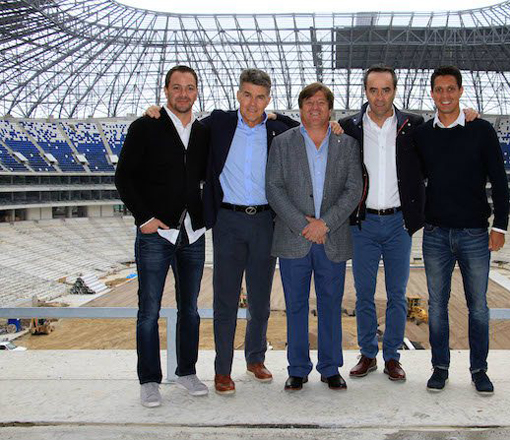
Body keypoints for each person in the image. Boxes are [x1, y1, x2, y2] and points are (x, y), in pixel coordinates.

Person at [145, 69, 293, 395]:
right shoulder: (219, 123)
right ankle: (222, 370)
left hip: (265, 222)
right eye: (247, 95)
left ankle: (255, 358)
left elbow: (305, 125)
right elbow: (182, 122)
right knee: (225, 301)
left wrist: (279, 116)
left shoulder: (276, 130)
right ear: (238, 95)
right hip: (228, 221)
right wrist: (156, 111)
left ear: (268, 100)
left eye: (260, 97)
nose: (252, 103)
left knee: (260, 301)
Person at [339, 65, 478, 382]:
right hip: (362, 224)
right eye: (373, 90)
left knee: (397, 295)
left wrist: (468, 115)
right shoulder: (349, 127)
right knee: (363, 294)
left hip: (399, 223)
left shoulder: (413, 125)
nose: (379, 97)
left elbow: (445, 132)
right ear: (366, 91)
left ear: (394, 91)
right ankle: (367, 354)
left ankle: (392, 357)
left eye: (385, 90)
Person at [115, 65, 209, 407]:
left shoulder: (203, 131)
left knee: (190, 309)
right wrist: (144, 218)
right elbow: (124, 176)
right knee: (149, 311)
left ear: (197, 92)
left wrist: (274, 116)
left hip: (192, 233)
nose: (183, 94)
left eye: (190, 87)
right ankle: (149, 380)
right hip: (156, 234)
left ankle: (186, 372)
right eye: (177, 87)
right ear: (166, 90)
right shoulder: (145, 126)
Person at [413, 65, 510, 395]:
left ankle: (479, 370)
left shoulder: (481, 129)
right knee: (436, 307)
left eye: (450, 89)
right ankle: (440, 368)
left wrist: (501, 226)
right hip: (435, 234)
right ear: (432, 94)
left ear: (460, 91)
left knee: (478, 307)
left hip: (474, 234)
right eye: (439, 90)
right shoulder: (422, 134)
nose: (445, 95)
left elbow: (499, 180)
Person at [266, 83, 362, 392]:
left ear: (330, 109)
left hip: (331, 238)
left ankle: (330, 368)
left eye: (321, 102)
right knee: (295, 305)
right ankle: (297, 369)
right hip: (294, 237)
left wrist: (325, 224)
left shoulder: (347, 144)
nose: (315, 107)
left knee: (331, 305)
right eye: (309, 102)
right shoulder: (282, 143)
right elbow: (274, 188)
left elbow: (354, 189)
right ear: (301, 108)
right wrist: (303, 224)